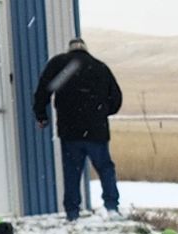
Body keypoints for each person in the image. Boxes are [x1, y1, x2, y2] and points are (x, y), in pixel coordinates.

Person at [34, 37, 124, 221]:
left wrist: (41, 115)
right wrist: (101, 112)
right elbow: (116, 98)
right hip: (97, 131)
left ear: (70, 49)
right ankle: (112, 207)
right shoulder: (100, 67)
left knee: (72, 171)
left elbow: (43, 90)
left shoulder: (58, 64)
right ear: (85, 49)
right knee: (105, 168)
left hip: (70, 130)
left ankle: (72, 213)